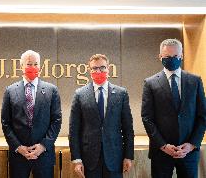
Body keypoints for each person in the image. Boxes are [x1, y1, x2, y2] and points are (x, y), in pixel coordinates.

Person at [141, 38, 206, 178]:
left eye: (175, 56)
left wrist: (192, 144)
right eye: (167, 57)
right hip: (161, 153)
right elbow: (147, 118)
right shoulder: (150, 83)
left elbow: (202, 116)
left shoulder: (195, 81)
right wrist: (163, 146)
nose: (172, 59)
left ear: (181, 56)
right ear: (160, 57)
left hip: (188, 152)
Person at [69, 54, 134, 178]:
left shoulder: (121, 94)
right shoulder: (80, 94)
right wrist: (77, 159)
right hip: (89, 159)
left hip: (115, 158)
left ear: (108, 69)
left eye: (102, 67)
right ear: (89, 71)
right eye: (94, 68)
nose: (98, 71)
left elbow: (128, 128)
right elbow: (74, 130)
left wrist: (128, 156)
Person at [1, 50, 62, 178]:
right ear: (21, 66)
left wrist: (43, 145)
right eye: (29, 64)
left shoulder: (52, 90)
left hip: (44, 154)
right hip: (18, 155)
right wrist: (18, 147)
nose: (33, 67)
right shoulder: (10, 91)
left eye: (36, 64)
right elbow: (6, 123)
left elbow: (56, 121)